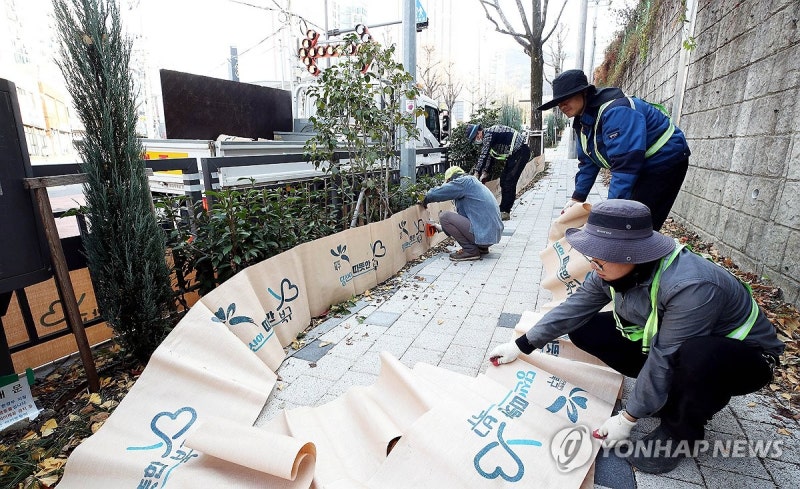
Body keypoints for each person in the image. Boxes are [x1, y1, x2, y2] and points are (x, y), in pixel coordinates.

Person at [489, 199, 784, 474]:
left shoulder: (691, 285)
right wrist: (522, 345)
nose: (593, 263)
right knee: (585, 327)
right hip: (676, 341)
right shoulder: (611, 268)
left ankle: (681, 431)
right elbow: (574, 308)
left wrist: (628, 418)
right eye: (591, 255)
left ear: (631, 253)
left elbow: (665, 354)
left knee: (697, 357)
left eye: (600, 257)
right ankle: (665, 398)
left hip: (742, 358)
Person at [537, 69, 691, 231]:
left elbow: (625, 166)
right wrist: (577, 198)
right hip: (640, 164)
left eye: (565, 99)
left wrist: (609, 211)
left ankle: (649, 253)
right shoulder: (583, 121)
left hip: (666, 159)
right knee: (626, 222)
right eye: (558, 102)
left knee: (639, 225)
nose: (561, 105)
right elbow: (588, 163)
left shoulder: (616, 111)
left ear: (583, 92)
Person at [420, 166, 503, 262]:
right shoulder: (473, 184)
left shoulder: (463, 182)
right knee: (450, 218)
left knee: (445, 217)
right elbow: (466, 221)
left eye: (449, 183)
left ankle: (470, 251)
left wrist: (424, 198)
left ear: (451, 179)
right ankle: (481, 248)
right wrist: (441, 228)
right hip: (491, 236)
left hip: (484, 235)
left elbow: (437, 193)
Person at [466, 123, 531, 222]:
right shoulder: (489, 138)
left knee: (509, 181)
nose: (476, 141)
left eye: (475, 138)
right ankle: (503, 209)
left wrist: (476, 173)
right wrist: (485, 172)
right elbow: (489, 157)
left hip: (521, 152)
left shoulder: (488, 134)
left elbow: (484, 155)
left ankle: (505, 211)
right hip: (514, 155)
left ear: (478, 132)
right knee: (503, 180)